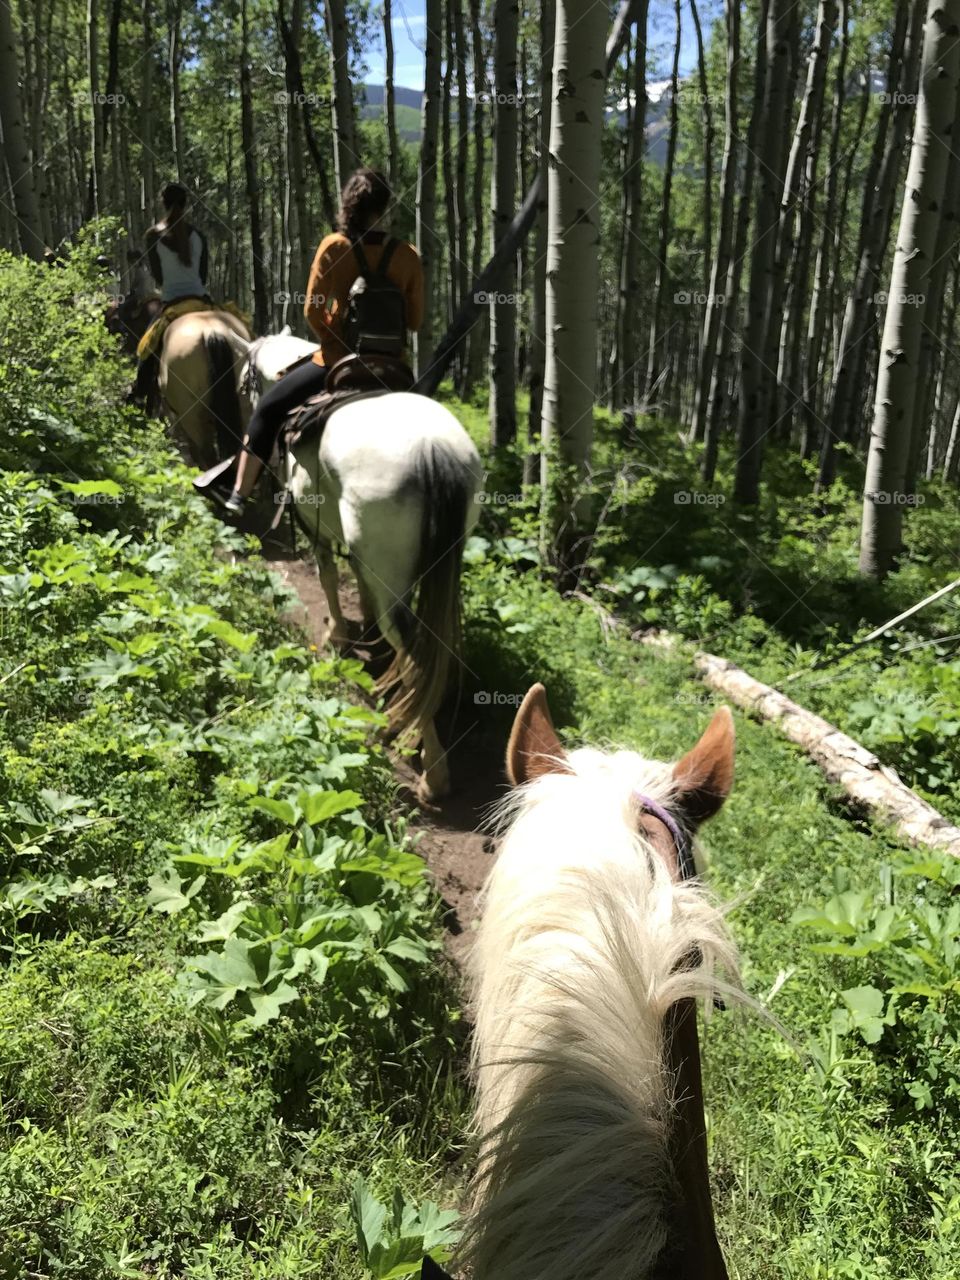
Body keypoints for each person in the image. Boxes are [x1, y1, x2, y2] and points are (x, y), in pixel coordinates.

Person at [213, 167, 423, 516]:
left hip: (338, 363)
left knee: (268, 410)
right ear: (385, 206)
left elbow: (313, 310)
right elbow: (414, 322)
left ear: (349, 205)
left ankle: (239, 494)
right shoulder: (407, 255)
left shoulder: (334, 246)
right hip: (393, 369)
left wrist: (336, 342)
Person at [129, 182, 210, 406]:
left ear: (163, 204)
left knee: (146, 348)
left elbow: (159, 277)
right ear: (186, 204)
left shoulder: (153, 236)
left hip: (172, 302)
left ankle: (139, 393)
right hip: (201, 300)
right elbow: (203, 276)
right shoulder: (199, 236)